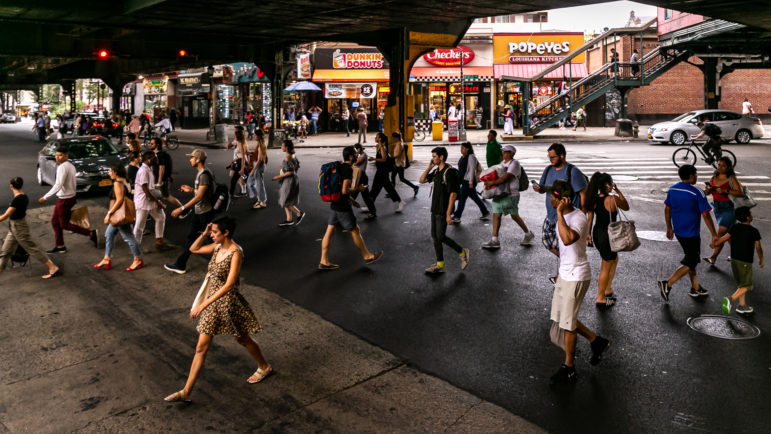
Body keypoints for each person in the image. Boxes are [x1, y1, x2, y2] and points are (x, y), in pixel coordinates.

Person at [164, 216, 271, 403]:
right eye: (211, 232)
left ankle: (264, 366)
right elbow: (193, 249)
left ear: (226, 232)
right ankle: (186, 391)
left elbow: (230, 285)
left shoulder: (235, 252)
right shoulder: (218, 247)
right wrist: (204, 233)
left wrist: (202, 305)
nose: (211, 235)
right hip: (212, 302)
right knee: (201, 348)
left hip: (228, 302)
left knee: (242, 338)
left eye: (214, 232)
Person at [547, 180, 610, 386]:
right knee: (563, 318)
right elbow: (563, 251)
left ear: (562, 199)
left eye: (553, 196)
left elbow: (567, 240)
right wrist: (559, 273)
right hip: (565, 274)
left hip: (577, 276)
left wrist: (558, 214)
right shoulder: (564, 216)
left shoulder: (578, 218)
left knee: (568, 323)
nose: (550, 199)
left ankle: (569, 368)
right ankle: (596, 341)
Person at [658, 164, 719, 302]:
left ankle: (695, 287)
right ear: (691, 176)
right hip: (691, 232)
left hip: (679, 231)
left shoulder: (673, 189)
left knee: (691, 258)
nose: (696, 177)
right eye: (696, 174)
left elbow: (667, 210)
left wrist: (669, 227)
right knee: (692, 260)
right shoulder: (697, 192)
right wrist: (714, 234)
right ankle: (667, 284)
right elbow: (706, 215)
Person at [319, 146, 384, 270]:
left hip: (335, 204)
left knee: (329, 231)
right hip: (342, 207)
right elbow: (344, 190)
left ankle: (323, 260)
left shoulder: (340, 167)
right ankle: (367, 256)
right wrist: (358, 189)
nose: (357, 156)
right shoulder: (348, 170)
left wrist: (352, 200)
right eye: (355, 154)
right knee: (355, 230)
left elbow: (340, 189)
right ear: (350, 157)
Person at [533, 143, 588, 283]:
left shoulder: (572, 171)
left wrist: (582, 215)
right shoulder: (548, 169)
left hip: (567, 218)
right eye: (549, 157)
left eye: (553, 157)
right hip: (551, 215)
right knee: (548, 242)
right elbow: (544, 188)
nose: (550, 160)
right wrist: (539, 188)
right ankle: (565, 269)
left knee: (566, 245)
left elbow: (583, 194)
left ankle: (562, 276)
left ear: (562, 156)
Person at [38, 145, 98, 253]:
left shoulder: (62, 167)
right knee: (55, 222)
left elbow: (58, 184)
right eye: (56, 155)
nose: (57, 158)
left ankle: (91, 233)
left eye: (60, 155)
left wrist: (45, 197)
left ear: (66, 156)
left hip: (65, 199)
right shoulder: (70, 165)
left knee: (64, 224)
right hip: (68, 197)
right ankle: (60, 246)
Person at [419, 146, 470, 275]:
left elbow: (453, 194)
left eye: (434, 156)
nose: (432, 158)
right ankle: (440, 265)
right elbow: (422, 180)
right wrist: (429, 167)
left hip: (443, 209)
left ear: (441, 157)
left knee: (440, 236)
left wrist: (448, 214)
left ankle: (462, 252)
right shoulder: (437, 171)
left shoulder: (450, 172)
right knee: (435, 237)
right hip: (435, 208)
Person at [164, 149, 216, 275]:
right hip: (201, 212)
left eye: (192, 157)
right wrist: (191, 189)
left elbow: (199, 197)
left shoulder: (203, 174)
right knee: (193, 238)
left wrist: (182, 208)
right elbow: (200, 192)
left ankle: (230, 256)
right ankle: (180, 264)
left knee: (213, 238)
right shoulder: (202, 173)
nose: (190, 159)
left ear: (198, 160)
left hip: (204, 212)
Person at [0, 177, 59, 279]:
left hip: (19, 228)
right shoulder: (24, 196)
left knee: (32, 249)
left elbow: (5, 216)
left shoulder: (17, 200)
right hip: (14, 228)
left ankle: (52, 267)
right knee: (5, 252)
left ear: (11, 186)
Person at [585, 172, 629, 306]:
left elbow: (590, 218)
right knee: (606, 265)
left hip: (598, 233)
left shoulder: (594, 199)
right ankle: (600, 297)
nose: (612, 185)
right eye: (611, 183)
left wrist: (588, 235)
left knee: (613, 259)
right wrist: (618, 191)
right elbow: (626, 207)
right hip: (609, 235)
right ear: (607, 185)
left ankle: (608, 289)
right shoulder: (613, 199)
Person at [481, 144, 534, 248]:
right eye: (503, 151)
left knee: (514, 215)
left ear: (512, 153)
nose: (503, 153)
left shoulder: (515, 164)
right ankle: (494, 240)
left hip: (511, 194)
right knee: (496, 215)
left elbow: (506, 177)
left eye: (506, 151)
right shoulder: (502, 163)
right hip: (500, 193)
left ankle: (528, 234)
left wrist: (492, 183)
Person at [93, 165, 144, 272]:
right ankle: (107, 258)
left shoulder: (117, 183)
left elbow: (119, 200)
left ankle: (137, 259)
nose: (109, 173)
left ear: (116, 172)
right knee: (109, 234)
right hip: (121, 214)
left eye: (110, 171)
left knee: (129, 237)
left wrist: (109, 213)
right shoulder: (126, 180)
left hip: (119, 215)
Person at [716, 207, 763, 315]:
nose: (752, 215)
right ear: (747, 217)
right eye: (750, 214)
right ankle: (730, 300)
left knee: (741, 284)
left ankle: (742, 306)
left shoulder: (734, 227)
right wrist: (761, 259)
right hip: (745, 262)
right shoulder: (754, 231)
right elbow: (758, 247)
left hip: (734, 260)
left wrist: (716, 243)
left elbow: (724, 238)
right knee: (747, 285)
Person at [704, 157, 743, 265]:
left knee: (721, 232)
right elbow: (710, 192)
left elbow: (740, 192)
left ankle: (713, 257)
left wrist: (725, 190)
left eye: (723, 166)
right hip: (717, 208)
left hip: (729, 208)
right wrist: (708, 191)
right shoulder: (714, 176)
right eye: (719, 165)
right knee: (729, 232)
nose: (720, 167)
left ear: (728, 167)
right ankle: (737, 255)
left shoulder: (731, 178)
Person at [133, 151, 168, 250]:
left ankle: (159, 242)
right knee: (140, 225)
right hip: (143, 201)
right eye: (154, 157)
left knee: (161, 217)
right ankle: (135, 248)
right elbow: (145, 189)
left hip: (149, 200)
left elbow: (149, 188)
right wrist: (157, 202)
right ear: (148, 159)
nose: (156, 159)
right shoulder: (143, 171)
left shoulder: (149, 168)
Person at [368, 132, 406, 214]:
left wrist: (374, 159)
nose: (375, 138)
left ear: (380, 139)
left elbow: (384, 159)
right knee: (378, 188)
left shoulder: (382, 147)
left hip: (382, 171)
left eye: (377, 137)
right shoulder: (380, 146)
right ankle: (370, 205)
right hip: (381, 171)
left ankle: (400, 202)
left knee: (378, 188)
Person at [452, 142, 489, 223]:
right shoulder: (463, 157)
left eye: (463, 148)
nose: (461, 149)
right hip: (465, 181)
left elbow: (472, 171)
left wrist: (471, 183)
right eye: (461, 148)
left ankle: (457, 216)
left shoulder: (471, 157)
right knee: (475, 197)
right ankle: (485, 212)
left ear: (468, 149)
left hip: (468, 182)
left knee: (462, 198)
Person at [273, 140, 305, 227]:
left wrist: (278, 177)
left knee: (285, 201)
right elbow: (297, 166)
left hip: (289, 181)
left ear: (286, 147)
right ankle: (289, 219)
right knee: (286, 199)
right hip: (291, 180)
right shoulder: (293, 155)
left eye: (282, 146)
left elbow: (291, 172)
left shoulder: (288, 157)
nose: (281, 147)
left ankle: (299, 214)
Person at [389, 132, 419, 198]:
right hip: (397, 163)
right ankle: (392, 193)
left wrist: (391, 158)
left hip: (400, 163)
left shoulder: (399, 144)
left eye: (392, 138)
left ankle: (415, 187)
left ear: (396, 138)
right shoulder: (398, 142)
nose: (392, 139)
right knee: (393, 176)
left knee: (401, 178)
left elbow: (398, 154)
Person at [352, 143, 377, 220]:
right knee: (352, 195)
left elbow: (355, 164)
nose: (356, 151)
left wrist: (355, 155)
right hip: (358, 176)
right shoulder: (360, 155)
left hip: (362, 177)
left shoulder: (363, 156)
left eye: (356, 150)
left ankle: (373, 213)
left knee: (365, 196)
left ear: (359, 149)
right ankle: (343, 213)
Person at [247, 129, 268, 209]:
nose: (254, 136)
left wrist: (253, 170)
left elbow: (259, 159)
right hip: (258, 165)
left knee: (259, 184)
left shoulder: (261, 145)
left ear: (258, 136)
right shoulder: (260, 144)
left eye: (255, 135)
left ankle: (263, 202)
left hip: (258, 166)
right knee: (251, 183)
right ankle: (259, 198)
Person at [227, 127, 249, 198]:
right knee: (231, 175)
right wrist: (228, 144)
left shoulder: (241, 142)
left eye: (235, 132)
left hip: (240, 161)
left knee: (236, 177)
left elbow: (243, 156)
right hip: (236, 161)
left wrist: (242, 168)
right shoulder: (237, 140)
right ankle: (246, 179)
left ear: (239, 133)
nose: (234, 133)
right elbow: (230, 146)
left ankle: (243, 190)